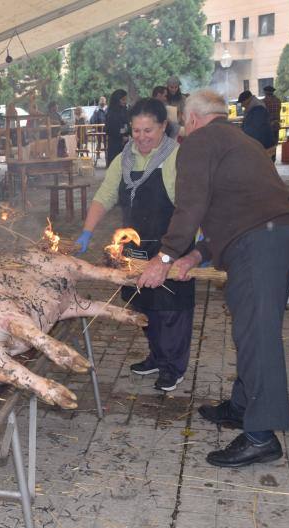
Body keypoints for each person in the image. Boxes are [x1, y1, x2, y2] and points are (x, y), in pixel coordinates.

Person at [137, 89, 289, 468]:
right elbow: (233, 209)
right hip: (279, 236)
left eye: (182, 123)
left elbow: (190, 207)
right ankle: (243, 407)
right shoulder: (239, 140)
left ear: (191, 118)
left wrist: (163, 257)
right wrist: (196, 254)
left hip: (259, 242)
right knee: (251, 329)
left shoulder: (199, 142)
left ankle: (261, 437)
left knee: (258, 336)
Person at [75, 98, 193, 392]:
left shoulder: (176, 157)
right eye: (136, 130)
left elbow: (189, 206)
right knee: (142, 304)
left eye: (148, 130)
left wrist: (193, 248)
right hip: (135, 248)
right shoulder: (124, 157)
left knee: (170, 309)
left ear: (164, 126)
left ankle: (172, 367)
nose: (141, 137)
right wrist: (87, 232)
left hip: (169, 247)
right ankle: (156, 355)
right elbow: (104, 195)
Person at [104, 89, 129, 166]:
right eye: (123, 100)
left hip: (126, 144)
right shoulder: (111, 113)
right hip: (115, 144)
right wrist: (120, 136)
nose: (125, 102)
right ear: (117, 100)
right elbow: (108, 129)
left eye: (125, 99)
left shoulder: (125, 110)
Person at [263, 86, 282, 160]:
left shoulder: (263, 102)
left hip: (266, 126)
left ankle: (267, 160)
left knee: (267, 144)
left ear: (265, 92)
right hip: (276, 125)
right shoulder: (278, 101)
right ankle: (273, 159)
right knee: (274, 144)